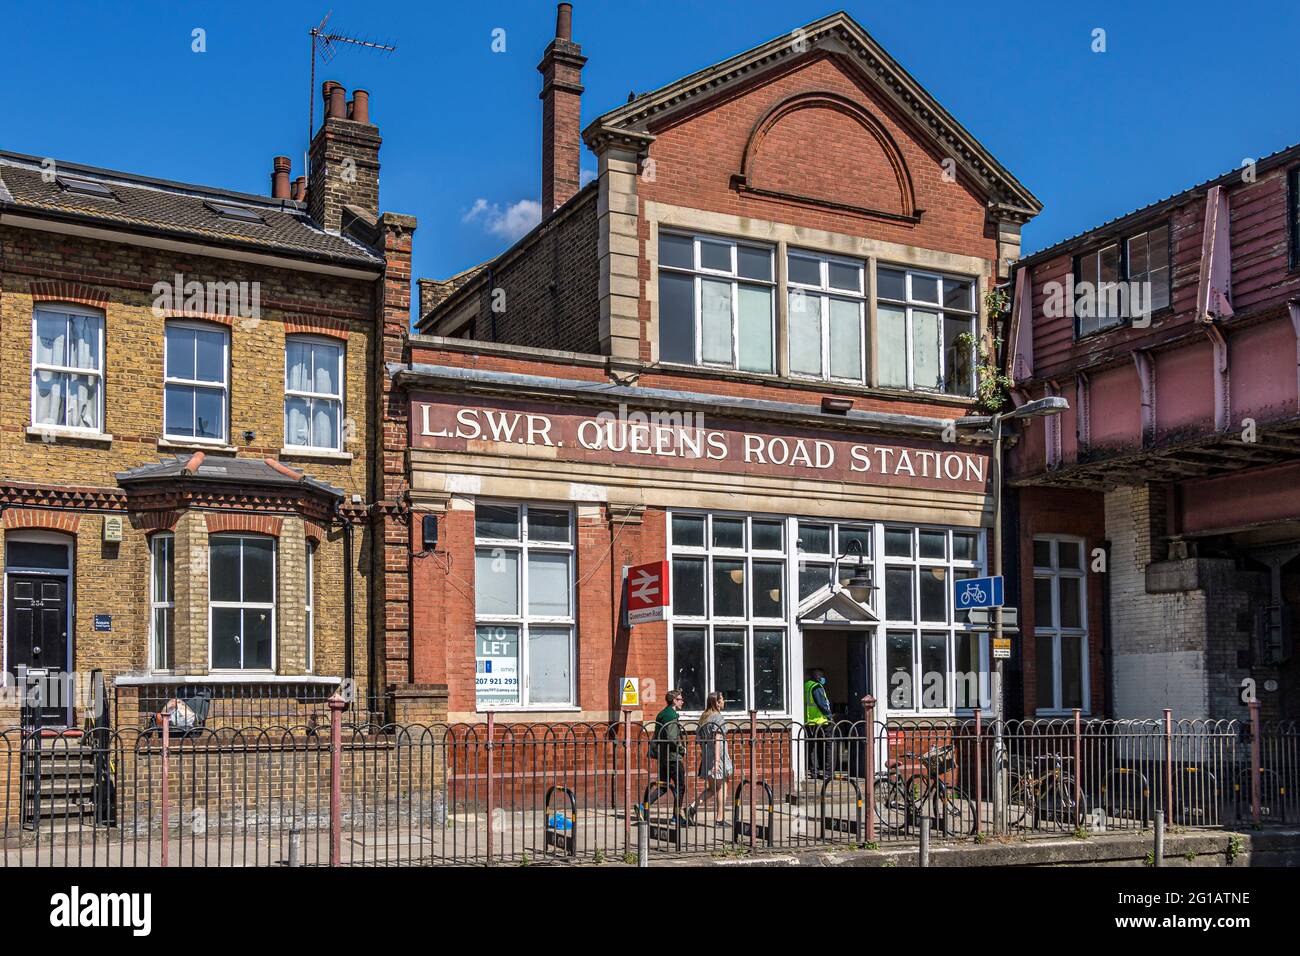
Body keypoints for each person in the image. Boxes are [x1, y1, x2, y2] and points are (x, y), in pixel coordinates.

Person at [639, 689, 690, 824]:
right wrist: (681, 748)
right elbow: (672, 738)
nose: (682, 701)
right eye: (680, 699)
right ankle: (676, 817)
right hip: (673, 757)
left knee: (662, 786)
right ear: (674, 701)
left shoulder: (662, 714)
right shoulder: (671, 715)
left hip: (662, 756)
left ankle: (643, 807)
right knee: (680, 786)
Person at [688, 692, 733, 827]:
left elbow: (699, 740)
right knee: (722, 787)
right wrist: (718, 762)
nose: (724, 701)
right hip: (718, 757)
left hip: (707, 757)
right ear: (717, 703)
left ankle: (691, 808)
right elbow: (717, 739)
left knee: (713, 789)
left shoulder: (704, 718)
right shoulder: (717, 718)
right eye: (722, 699)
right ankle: (719, 819)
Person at [804, 669, 834, 779]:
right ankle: (828, 773)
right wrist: (830, 716)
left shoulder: (805, 685)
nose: (822, 677)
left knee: (813, 747)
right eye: (820, 675)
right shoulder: (816, 687)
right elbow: (822, 704)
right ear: (816, 676)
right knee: (828, 746)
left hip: (809, 721)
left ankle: (814, 772)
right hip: (822, 721)